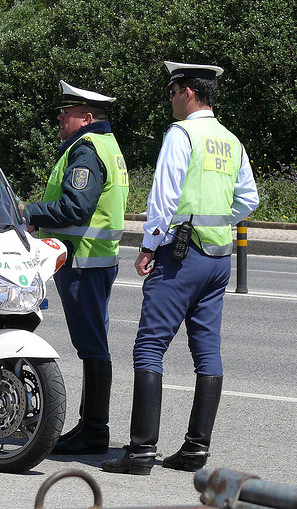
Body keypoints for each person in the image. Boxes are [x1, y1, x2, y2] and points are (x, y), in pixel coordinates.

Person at [101, 61, 259, 475]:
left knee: (150, 347)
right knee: (207, 352)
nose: (170, 98)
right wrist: (219, 220)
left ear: (188, 91)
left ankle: (139, 453)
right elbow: (249, 199)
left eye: (172, 91)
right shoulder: (230, 140)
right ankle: (195, 450)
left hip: (180, 256)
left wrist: (150, 245)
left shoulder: (181, 134)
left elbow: (165, 196)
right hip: (218, 259)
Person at [24, 80, 129, 455]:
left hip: (83, 261)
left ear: (86, 117)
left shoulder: (86, 150)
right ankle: (91, 426)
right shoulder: (108, 145)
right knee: (93, 344)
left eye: (65, 114)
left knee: (92, 347)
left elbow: (75, 208)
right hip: (97, 259)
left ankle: (94, 430)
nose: (59, 120)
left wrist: (29, 212)